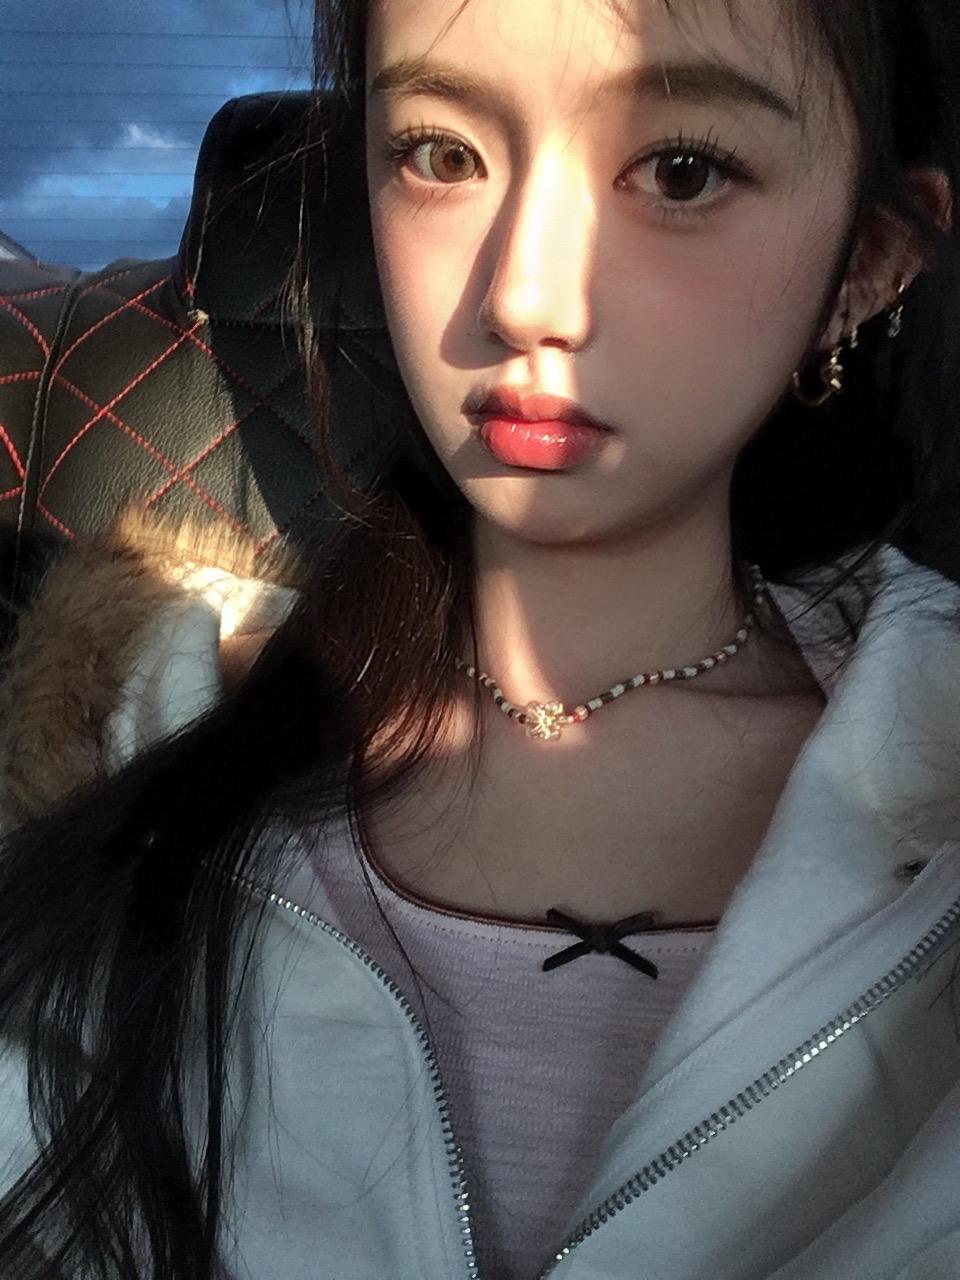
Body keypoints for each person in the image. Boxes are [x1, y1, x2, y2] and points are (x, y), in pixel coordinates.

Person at [1, 0, 960, 1275]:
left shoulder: (937, 771)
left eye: (682, 171)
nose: (522, 299)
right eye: (442, 155)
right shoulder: (124, 744)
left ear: (868, 264)